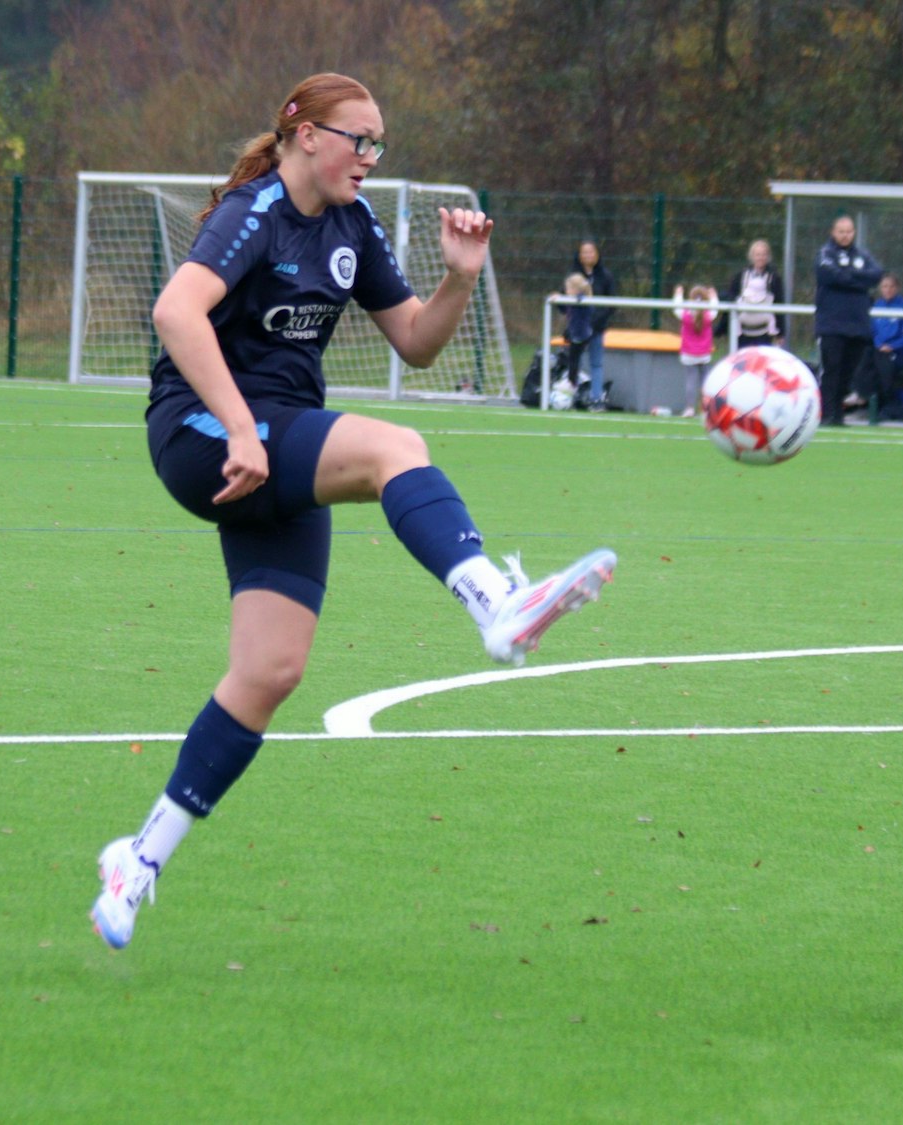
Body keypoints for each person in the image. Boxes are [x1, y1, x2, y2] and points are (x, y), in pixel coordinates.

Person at [90, 73, 617, 951]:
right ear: (305, 135)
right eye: (358, 139)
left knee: (270, 672)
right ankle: (496, 603)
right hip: (201, 433)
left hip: (276, 442)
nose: (370, 157)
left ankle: (137, 859)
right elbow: (175, 312)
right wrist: (239, 428)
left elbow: (416, 339)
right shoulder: (254, 212)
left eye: (379, 144)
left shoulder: (353, 224)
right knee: (392, 446)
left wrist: (459, 279)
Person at [813, 215, 883, 426]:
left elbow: (876, 275)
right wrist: (858, 278)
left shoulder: (862, 255)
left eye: (849, 231)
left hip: (858, 326)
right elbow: (829, 275)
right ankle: (826, 414)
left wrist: (848, 276)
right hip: (831, 325)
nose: (845, 235)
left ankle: (838, 414)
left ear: (854, 233)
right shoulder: (825, 254)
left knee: (849, 372)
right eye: (841, 231)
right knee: (831, 370)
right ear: (833, 232)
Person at [571, 240, 617, 407]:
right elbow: (565, 298)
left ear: (597, 254)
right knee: (573, 362)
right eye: (584, 252)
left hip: (597, 327)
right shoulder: (574, 276)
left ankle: (596, 399)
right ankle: (570, 397)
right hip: (577, 328)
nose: (588, 255)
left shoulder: (605, 276)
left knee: (596, 363)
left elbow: (611, 304)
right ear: (580, 255)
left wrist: (595, 321)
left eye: (591, 251)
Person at [867, 273, 903, 422]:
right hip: (880, 351)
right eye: (884, 286)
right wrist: (879, 345)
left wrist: (892, 346)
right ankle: (869, 402)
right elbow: (873, 331)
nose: (888, 290)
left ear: (897, 288)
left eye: (891, 286)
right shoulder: (877, 306)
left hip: (901, 353)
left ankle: (888, 406)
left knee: (885, 365)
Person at [722, 239, 784, 348]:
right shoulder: (741, 276)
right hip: (743, 332)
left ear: (768, 256)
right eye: (758, 254)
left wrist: (781, 333)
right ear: (752, 256)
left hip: (764, 332)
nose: (761, 258)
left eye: (764, 254)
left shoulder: (774, 278)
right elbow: (732, 296)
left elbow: (779, 303)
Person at [673, 284, 717, 416]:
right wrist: (714, 297)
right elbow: (715, 307)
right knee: (705, 382)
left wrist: (678, 294)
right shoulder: (708, 315)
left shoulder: (685, 315)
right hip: (704, 354)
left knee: (690, 381)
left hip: (688, 354)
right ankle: (706, 409)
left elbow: (676, 307)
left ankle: (689, 408)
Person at [561, 272, 595, 396]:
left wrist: (580, 297)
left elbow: (588, 310)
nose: (566, 291)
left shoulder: (582, 301)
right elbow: (566, 312)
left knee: (573, 359)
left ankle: (572, 383)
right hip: (576, 333)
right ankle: (572, 381)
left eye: (568, 288)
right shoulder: (571, 301)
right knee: (572, 358)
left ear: (575, 290)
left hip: (581, 335)